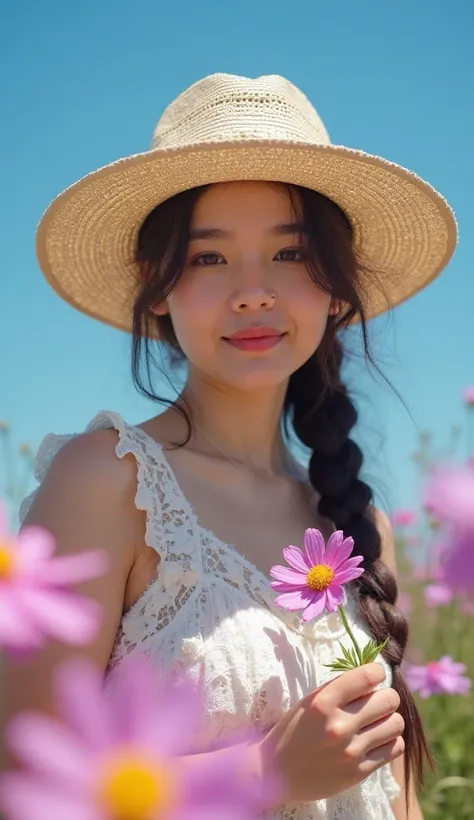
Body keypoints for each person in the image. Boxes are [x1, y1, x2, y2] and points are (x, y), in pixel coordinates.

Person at [4, 73, 457, 819]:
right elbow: (24, 785)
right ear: (157, 290)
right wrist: (263, 772)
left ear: (336, 291)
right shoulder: (107, 483)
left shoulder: (360, 530)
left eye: (291, 254)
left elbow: (395, 795)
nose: (253, 291)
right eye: (209, 259)